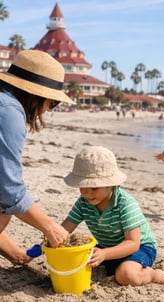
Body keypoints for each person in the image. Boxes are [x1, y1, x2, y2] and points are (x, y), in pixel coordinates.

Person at [61, 146, 164, 288]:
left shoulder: (125, 204)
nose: (88, 194)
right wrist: (44, 245)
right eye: (83, 187)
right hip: (107, 247)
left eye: (94, 188)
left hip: (140, 248)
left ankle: (155, 275)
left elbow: (133, 243)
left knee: (126, 275)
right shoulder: (83, 203)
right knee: (72, 259)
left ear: (111, 184)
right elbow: (65, 228)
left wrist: (104, 254)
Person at [0, 50, 74, 265]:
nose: (49, 110)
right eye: (53, 103)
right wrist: (49, 226)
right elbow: (9, 189)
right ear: (37, 95)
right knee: (6, 203)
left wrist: (17, 256)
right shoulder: (9, 112)